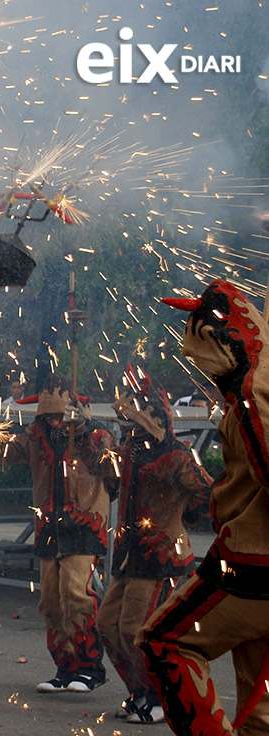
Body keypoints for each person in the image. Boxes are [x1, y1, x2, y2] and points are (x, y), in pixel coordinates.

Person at [138, 280, 269, 735]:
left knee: (163, 642)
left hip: (253, 563)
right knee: (261, 708)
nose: (200, 371)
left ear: (223, 339)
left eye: (200, 356)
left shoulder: (255, 390)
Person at [99, 367, 210, 724]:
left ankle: (162, 697)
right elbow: (111, 483)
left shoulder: (177, 454)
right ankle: (140, 691)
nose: (127, 424)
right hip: (128, 557)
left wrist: (181, 519)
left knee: (136, 631)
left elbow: (207, 492)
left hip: (160, 558)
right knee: (107, 625)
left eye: (133, 417)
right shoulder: (129, 450)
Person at [0, 373, 117, 693]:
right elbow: (3, 449)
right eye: (48, 416)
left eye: (59, 416)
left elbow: (110, 464)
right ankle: (65, 668)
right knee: (50, 601)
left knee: (76, 595)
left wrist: (86, 429)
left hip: (84, 525)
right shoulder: (35, 436)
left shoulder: (95, 435)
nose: (54, 422)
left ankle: (90, 668)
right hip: (49, 527)